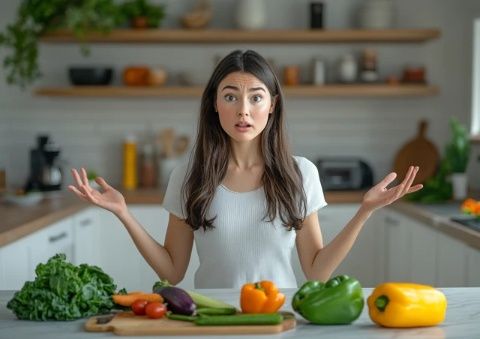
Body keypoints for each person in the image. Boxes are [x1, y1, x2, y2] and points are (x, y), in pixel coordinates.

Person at [69, 50, 423, 289]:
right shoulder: (190, 173)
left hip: (279, 318)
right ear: (213, 104)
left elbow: (316, 271)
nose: (243, 110)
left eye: (256, 97)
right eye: (230, 96)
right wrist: (123, 213)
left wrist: (365, 211)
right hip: (211, 319)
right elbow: (172, 272)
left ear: (272, 106)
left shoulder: (300, 173)